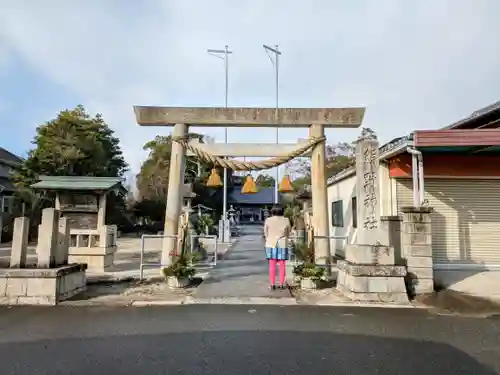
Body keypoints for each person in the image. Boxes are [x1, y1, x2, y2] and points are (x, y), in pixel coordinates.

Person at [263, 204, 292, 290]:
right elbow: (288, 232)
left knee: (272, 265)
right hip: (282, 243)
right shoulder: (286, 220)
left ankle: (272, 284)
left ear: (273, 210)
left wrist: (269, 238)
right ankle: (282, 284)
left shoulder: (268, 220)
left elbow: (265, 233)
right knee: (282, 264)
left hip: (271, 243)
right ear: (282, 210)